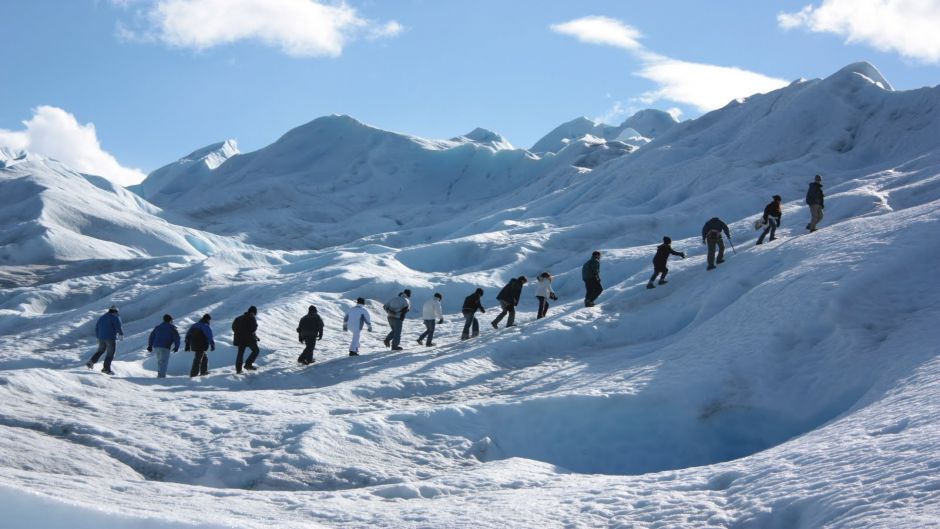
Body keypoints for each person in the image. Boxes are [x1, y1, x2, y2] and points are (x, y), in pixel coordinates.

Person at [85, 305, 124, 375]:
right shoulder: (114, 317)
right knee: (110, 354)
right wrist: (120, 334)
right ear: (115, 311)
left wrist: (98, 337)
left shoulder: (102, 317)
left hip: (101, 338)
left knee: (100, 351)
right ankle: (106, 369)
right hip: (110, 338)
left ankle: (91, 362)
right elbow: (118, 326)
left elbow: (97, 328)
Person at [147, 314, 180, 378]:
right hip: (165, 346)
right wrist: (176, 347)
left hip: (156, 346)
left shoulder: (158, 327)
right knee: (164, 362)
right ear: (170, 320)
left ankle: (160, 374)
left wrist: (150, 346)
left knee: (160, 361)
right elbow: (177, 338)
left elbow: (152, 336)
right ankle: (161, 376)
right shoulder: (172, 328)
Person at [232, 306, 260, 373]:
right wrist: (254, 336)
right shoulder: (252, 318)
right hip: (249, 339)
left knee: (240, 354)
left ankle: (238, 370)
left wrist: (239, 333)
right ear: (253, 312)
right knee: (256, 350)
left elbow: (233, 327)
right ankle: (248, 364)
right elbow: (253, 329)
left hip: (239, 339)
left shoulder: (238, 318)